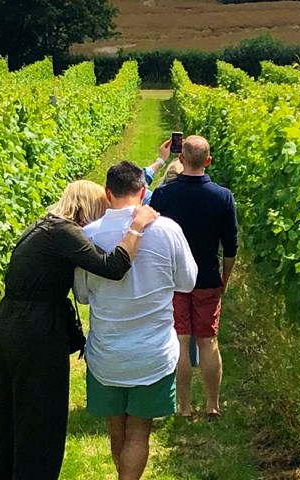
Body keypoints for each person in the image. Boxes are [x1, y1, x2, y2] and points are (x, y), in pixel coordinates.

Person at [0, 180, 160, 479]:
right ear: (90, 207)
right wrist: (137, 226)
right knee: (42, 421)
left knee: (11, 417)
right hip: (36, 330)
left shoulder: (43, 227)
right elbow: (113, 267)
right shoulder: (64, 233)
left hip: (9, 323)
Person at [74, 162, 197, 480]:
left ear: (107, 193)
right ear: (143, 192)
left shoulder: (88, 235)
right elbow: (187, 283)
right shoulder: (168, 230)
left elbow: (83, 296)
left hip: (107, 355)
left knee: (117, 429)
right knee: (139, 433)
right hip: (153, 355)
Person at [147, 135, 238, 420]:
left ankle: (183, 407)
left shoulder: (164, 195)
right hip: (207, 277)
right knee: (208, 341)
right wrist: (225, 276)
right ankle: (212, 405)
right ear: (208, 161)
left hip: (174, 279)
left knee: (180, 341)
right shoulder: (222, 196)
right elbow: (231, 246)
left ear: (181, 160)